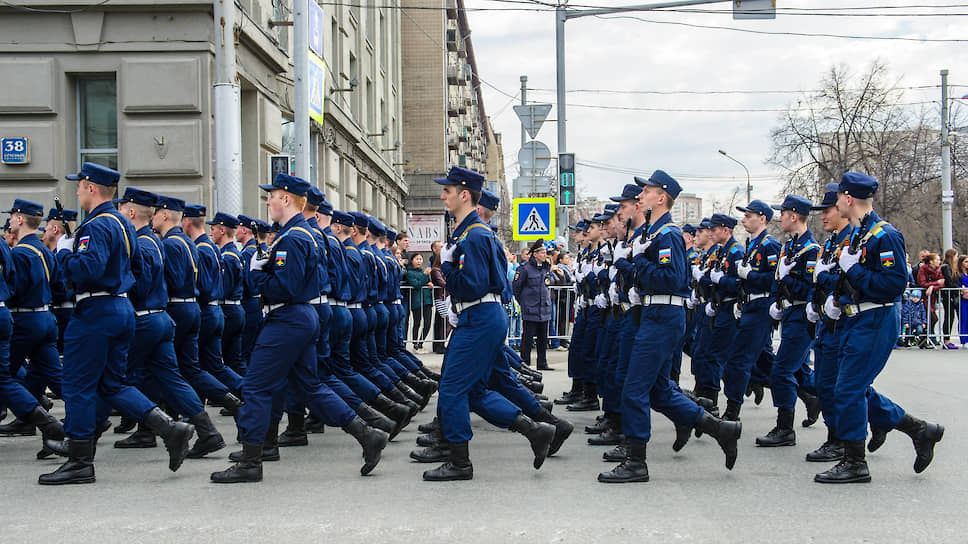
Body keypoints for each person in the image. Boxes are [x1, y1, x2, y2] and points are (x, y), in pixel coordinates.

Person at [211, 174, 388, 483]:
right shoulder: (301, 234)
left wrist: (257, 274)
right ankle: (367, 434)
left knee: (255, 386)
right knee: (310, 386)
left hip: (288, 317)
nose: (268, 202)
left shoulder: (292, 238)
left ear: (287, 199)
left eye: (272, 196)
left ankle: (251, 461)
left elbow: (284, 287)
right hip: (301, 317)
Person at [40, 163, 195, 485]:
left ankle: (80, 460)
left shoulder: (97, 225)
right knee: (112, 384)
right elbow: (134, 268)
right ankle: (170, 428)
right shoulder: (123, 225)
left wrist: (64, 255)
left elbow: (89, 269)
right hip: (120, 307)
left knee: (78, 385)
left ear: (91, 187)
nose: (78, 192)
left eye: (80, 187)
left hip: (96, 309)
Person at [599, 170, 740, 483]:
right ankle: (721, 430)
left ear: (661, 198)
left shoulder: (669, 235)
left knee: (634, 388)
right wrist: (633, 265)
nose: (640, 197)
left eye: (646, 192)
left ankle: (637, 461)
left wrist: (633, 263)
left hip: (663, 315)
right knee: (659, 392)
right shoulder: (655, 233)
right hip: (654, 314)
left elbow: (671, 279)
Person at [423, 166, 555, 481]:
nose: (443, 196)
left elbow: (474, 284)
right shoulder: (468, 233)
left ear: (464, 195)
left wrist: (446, 267)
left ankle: (460, 462)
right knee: (474, 391)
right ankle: (535, 431)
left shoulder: (475, 235)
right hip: (479, 316)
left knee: (453, 389)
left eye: (448, 191)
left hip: (480, 316)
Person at [813, 171, 943, 484]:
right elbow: (853, 279)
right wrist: (832, 291)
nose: (837, 203)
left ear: (848, 199)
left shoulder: (885, 235)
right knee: (853, 388)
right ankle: (920, 430)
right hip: (855, 318)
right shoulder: (861, 234)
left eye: (839, 198)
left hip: (875, 319)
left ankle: (855, 462)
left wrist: (853, 270)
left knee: (848, 389)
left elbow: (893, 284)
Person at [756, 195, 820, 447]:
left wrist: (786, 278)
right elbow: (780, 282)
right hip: (790, 314)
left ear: (794, 216)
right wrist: (777, 300)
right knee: (800, 372)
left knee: (782, 370)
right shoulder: (790, 247)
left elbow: (808, 287)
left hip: (803, 315)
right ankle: (813, 401)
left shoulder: (810, 250)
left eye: (782, 213)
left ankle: (785, 428)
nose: (779, 218)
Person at [0, 199, 63, 436]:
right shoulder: (44, 252)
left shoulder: (19, 252)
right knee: (52, 375)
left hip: (25, 318)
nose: (9, 221)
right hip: (46, 316)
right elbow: (59, 286)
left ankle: (34, 417)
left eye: (12, 216)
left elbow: (13, 288)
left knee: (5, 375)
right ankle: (90, 415)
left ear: (19, 219)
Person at [718, 200, 780, 422]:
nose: (743, 220)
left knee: (739, 361)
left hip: (761, 307)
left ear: (762, 218)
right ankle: (807, 395)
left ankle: (732, 412)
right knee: (764, 363)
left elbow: (774, 279)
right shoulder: (752, 244)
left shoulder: (769, 245)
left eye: (749, 216)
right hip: (749, 306)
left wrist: (749, 276)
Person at [513, 239, 554, 371]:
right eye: (542, 252)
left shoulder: (546, 268)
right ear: (535, 254)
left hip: (544, 308)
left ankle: (542, 362)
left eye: (545, 252)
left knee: (543, 338)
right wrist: (524, 302)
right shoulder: (525, 268)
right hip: (530, 308)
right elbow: (516, 288)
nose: (544, 255)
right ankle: (525, 363)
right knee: (527, 339)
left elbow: (549, 283)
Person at [405, 253, 433, 353]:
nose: (419, 261)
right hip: (417, 301)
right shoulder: (409, 273)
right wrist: (424, 276)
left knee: (428, 323)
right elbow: (416, 284)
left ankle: (421, 342)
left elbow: (427, 282)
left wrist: (427, 281)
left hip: (427, 300)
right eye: (417, 259)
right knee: (417, 322)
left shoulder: (423, 271)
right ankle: (415, 343)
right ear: (412, 261)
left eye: (421, 259)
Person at [916, 253, 944, 345]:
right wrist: (933, 284)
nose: (939, 262)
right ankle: (926, 337)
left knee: (932, 318)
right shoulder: (923, 269)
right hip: (924, 297)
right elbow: (922, 283)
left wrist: (932, 287)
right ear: (931, 261)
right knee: (931, 318)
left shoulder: (938, 270)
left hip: (932, 297)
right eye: (937, 260)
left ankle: (929, 338)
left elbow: (942, 284)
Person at [939, 248, 960, 349]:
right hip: (948, 295)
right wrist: (958, 289)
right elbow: (949, 281)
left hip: (952, 294)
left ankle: (947, 339)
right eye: (956, 256)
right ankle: (946, 340)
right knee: (949, 316)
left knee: (952, 317)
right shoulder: (946, 267)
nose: (957, 258)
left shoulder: (953, 268)